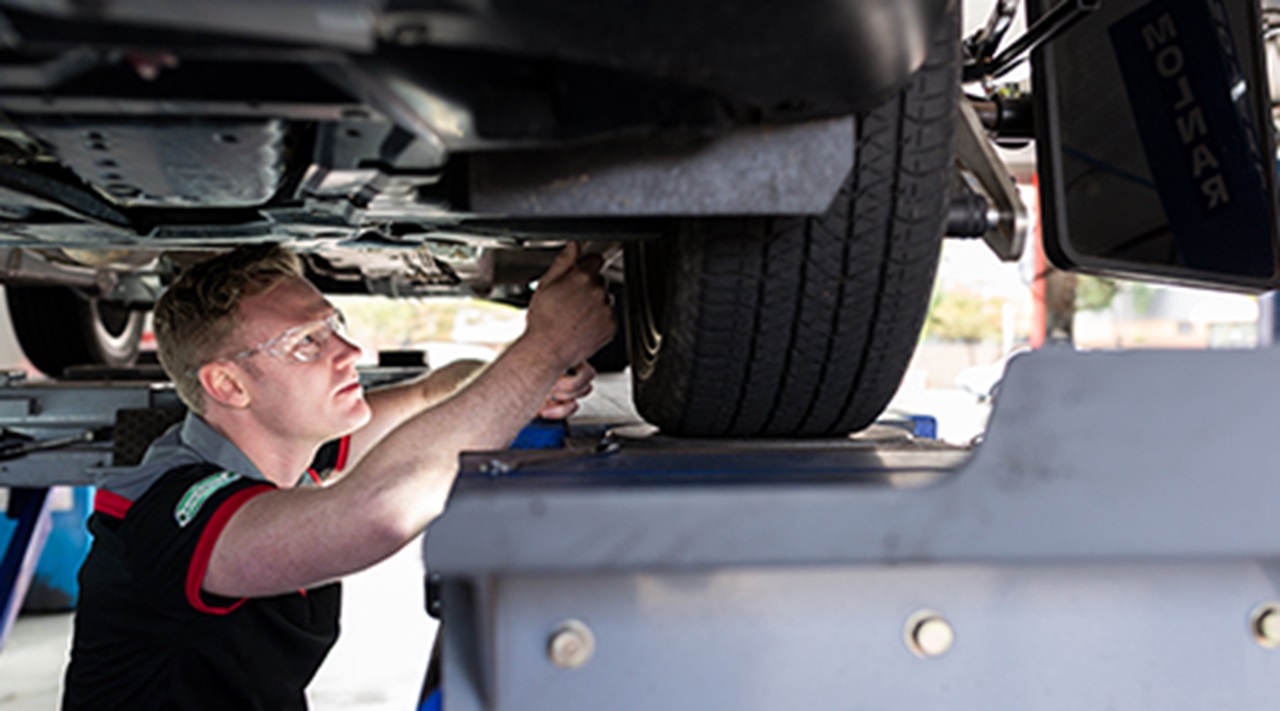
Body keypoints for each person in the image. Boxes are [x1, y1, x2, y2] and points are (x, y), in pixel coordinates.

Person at [61, 242, 615, 709]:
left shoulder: (282, 452)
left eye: (334, 326)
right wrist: (545, 349)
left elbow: (432, 392)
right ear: (229, 386)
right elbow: (375, 513)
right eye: (307, 342)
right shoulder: (174, 511)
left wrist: (525, 381)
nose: (350, 352)